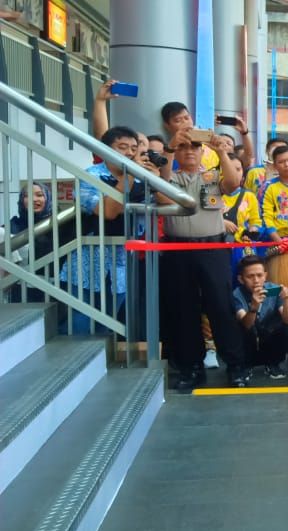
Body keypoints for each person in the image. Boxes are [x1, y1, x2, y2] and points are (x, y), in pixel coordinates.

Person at [155, 128, 249, 389]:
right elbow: (160, 188)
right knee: (184, 310)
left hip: (212, 249)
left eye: (194, 148)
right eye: (183, 148)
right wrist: (169, 148)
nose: (189, 152)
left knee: (221, 306)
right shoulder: (168, 176)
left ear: (201, 151)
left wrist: (221, 150)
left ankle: (235, 365)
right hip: (178, 251)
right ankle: (191, 367)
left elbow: (232, 184)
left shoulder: (210, 177)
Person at [61, 126, 145, 334]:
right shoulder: (91, 175)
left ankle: (100, 364)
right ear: (106, 150)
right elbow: (107, 211)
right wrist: (128, 177)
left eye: (134, 148)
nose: (129, 153)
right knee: (81, 321)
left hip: (122, 262)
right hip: (88, 260)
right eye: (122, 147)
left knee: (109, 323)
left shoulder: (142, 178)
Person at [233, 255, 288, 379]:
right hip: (247, 342)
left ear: (265, 276)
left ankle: (273, 363)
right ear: (241, 279)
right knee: (243, 328)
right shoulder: (236, 294)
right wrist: (254, 306)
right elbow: (246, 325)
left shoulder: (273, 289)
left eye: (259, 275)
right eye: (250, 276)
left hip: (267, 339)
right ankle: (246, 365)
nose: (256, 280)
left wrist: (286, 299)